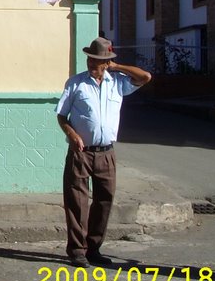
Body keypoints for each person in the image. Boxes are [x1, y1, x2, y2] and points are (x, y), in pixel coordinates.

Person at [55, 37, 152, 268]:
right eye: (90, 58)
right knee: (77, 202)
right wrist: (72, 134)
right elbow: (61, 115)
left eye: (97, 60)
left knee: (104, 200)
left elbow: (145, 77)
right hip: (81, 152)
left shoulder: (117, 82)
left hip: (106, 152)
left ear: (107, 62)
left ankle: (94, 248)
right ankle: (77, 250)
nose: (91, 63)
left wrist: (117, 67)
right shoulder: (76, 83)